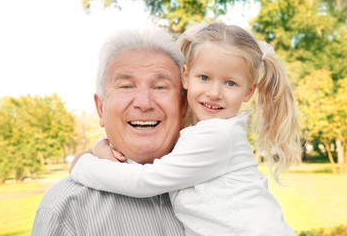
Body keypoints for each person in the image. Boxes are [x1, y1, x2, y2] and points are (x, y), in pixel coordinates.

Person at [70, 22, 302, 236]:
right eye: (204, 77)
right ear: (186, 76)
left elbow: (145, 181)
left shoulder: (217, 136)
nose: (214, 92)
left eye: (230, 83)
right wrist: (102, 146)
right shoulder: (201, 134)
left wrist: (82, 164)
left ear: (249, 91)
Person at [31, 28, 187, 235]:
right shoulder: (65, 208)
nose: (144, 103)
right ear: (100, 108)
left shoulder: (224, 187)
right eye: (126, 86)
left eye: (160, 87)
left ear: (184, 108)